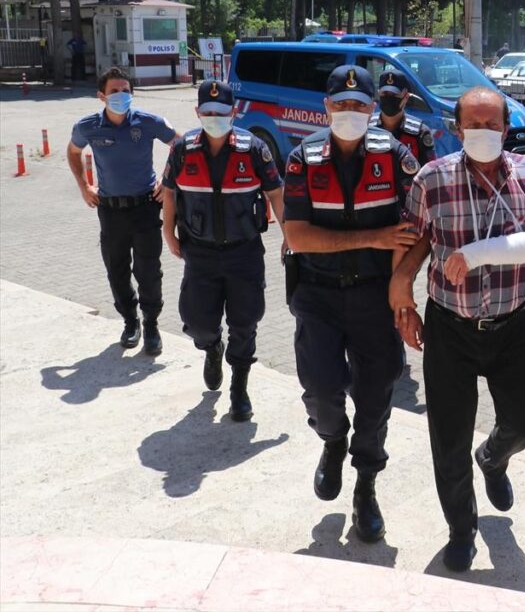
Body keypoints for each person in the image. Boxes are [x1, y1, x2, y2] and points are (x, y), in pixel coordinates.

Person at [389, 86, 525, 572]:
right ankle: (461, 530)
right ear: (456, 128)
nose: (484, 134)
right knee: (448, 439)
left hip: (513, 326)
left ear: (507, 128)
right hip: (451, 329)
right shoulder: (431, 179)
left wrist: (475, 254)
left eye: (493, 125)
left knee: (523, 426)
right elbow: (415, 241)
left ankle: (495, 458)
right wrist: (401, 296)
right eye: (474, 125)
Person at [282, 65, 419, 543]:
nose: (350, 113)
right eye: (341, 105)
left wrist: (402, 288)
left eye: (359, 105)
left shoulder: (396, 157)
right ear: (326, 107)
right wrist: (375, 236)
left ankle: (366, 486)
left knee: (377, 394)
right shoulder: (303, 158)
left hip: (374, 295)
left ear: (372, 110)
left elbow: (410, 232)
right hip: (317, 294)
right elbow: (296, 236)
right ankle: (332, 440)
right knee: (320, 389)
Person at [161, 80, 286, 421]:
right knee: (196, 321)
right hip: (198, 252)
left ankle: (239, 388)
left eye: (221, 112)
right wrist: (167, 229)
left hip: (244, 252)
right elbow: (169, 191)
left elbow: (276, 193)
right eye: (208, 111)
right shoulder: (183, 148)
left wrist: (290, 236)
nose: (214, 117)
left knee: (245, 323)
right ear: (197, 112)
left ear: (234, 112)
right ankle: (212, 347)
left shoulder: (254, 148)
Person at [67, 66, 179, 355]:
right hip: (110, 210)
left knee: (149, 271)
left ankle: (151, 324)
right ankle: (131, 321)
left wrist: (168, 182)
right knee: (116, 270)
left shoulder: (148, 122)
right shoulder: (87, 126)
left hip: (145, 208)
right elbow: (73, 151)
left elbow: (180, 144)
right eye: (114, 91)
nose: (120, 95)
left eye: (125, 91)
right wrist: (84, 186)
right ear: (101, 96)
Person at [370, 70, 436, 168]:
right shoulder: (368, 128)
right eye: (385, 93)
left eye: (394, 94)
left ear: (406, 97)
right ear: (379, 94)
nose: (389, 98)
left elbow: (430, 171)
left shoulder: (420, 132)